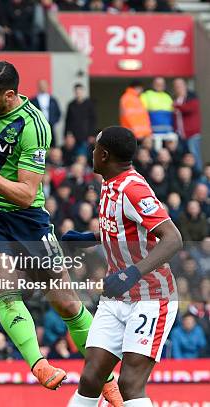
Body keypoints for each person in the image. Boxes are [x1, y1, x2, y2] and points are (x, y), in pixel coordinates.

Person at [0, 61, 122, 403]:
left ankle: (105, 377)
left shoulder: (34, 126)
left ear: (9, 95)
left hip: (26, 216)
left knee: (68, 304)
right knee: (5, 287)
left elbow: (27, 194)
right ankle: (38, 363)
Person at [64, 126, 181, 407]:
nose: (91, 152)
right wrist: (91, 237)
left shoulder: (133, 189)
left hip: (151, 298)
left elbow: (173, 238)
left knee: (130, 384)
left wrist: (133, 272)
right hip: (116, 297)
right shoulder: (110, 182)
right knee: (91, 377)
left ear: (103, 155)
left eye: (95, 148)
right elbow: (126, 229)